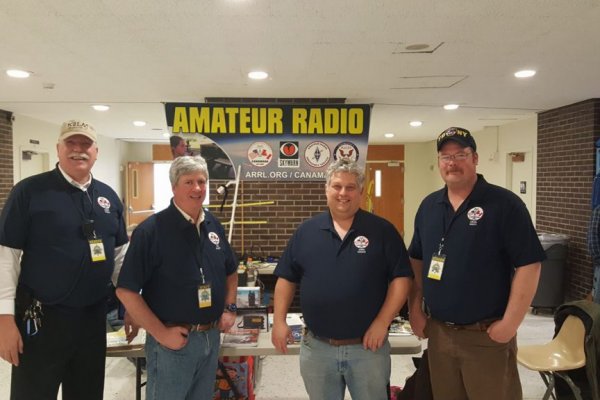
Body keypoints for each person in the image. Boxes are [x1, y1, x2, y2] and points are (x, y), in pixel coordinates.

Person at [408, 127, 545, 400]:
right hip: (440, 334)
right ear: (439, 162)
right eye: (445, 156)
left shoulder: (504, 204)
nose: (452, 162)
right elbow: (417, 259)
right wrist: (415, 309)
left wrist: (511, 323)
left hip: (486, 335)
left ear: (475, 158)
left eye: (461, 154)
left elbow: (530, 264)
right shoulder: (429, 206)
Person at [0, 119, 129, 400]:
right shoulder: (29, 192)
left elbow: (120, 258)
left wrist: (132, 305)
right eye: (71, 143)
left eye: (85, 144)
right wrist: (4, 319)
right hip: (42, 319)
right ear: (58, 149)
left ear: (96, 151)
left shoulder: (108, 197)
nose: (78, 150)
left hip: (92, 320)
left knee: (87, 393)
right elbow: (6, 256)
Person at [271, 158, 413, 400]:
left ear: (360, 192)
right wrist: (279, 321)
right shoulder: (306, 232)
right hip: (317, 348)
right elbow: (286, 277)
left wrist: (382, 322)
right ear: (327, 189)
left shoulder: (382, 231)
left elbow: (401, 279)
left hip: (367, 349)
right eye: (337, 186)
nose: (343, 193)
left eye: (350, 187)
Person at [116, 155, 238, 400]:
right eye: (189, 182)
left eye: (202, 182)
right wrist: (161, 334)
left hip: (210, 338)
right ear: (173, 187)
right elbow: (126, 291)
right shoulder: (151, 231)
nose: (197, 188)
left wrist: (229, 308)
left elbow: (231, 270)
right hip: (173, 343)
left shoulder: (213, 224)